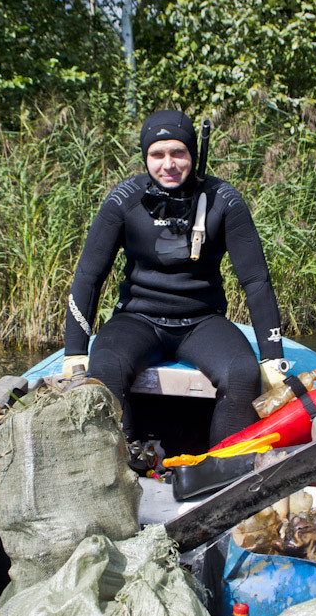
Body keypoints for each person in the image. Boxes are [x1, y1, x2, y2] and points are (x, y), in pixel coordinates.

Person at [63, 109, 287, 448]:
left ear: (193, 156)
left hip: (202, 322)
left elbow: (256, 282)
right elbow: (89, 275)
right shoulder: (124, 201)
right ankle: (121, 470)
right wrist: (74, 352)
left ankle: (223, 473)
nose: (168, 163)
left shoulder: (223, 201)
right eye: (157, 154)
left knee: (243, 372)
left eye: (178, 153)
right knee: (105, 364)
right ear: (145, 157)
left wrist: (272, 357)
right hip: (137, 319)